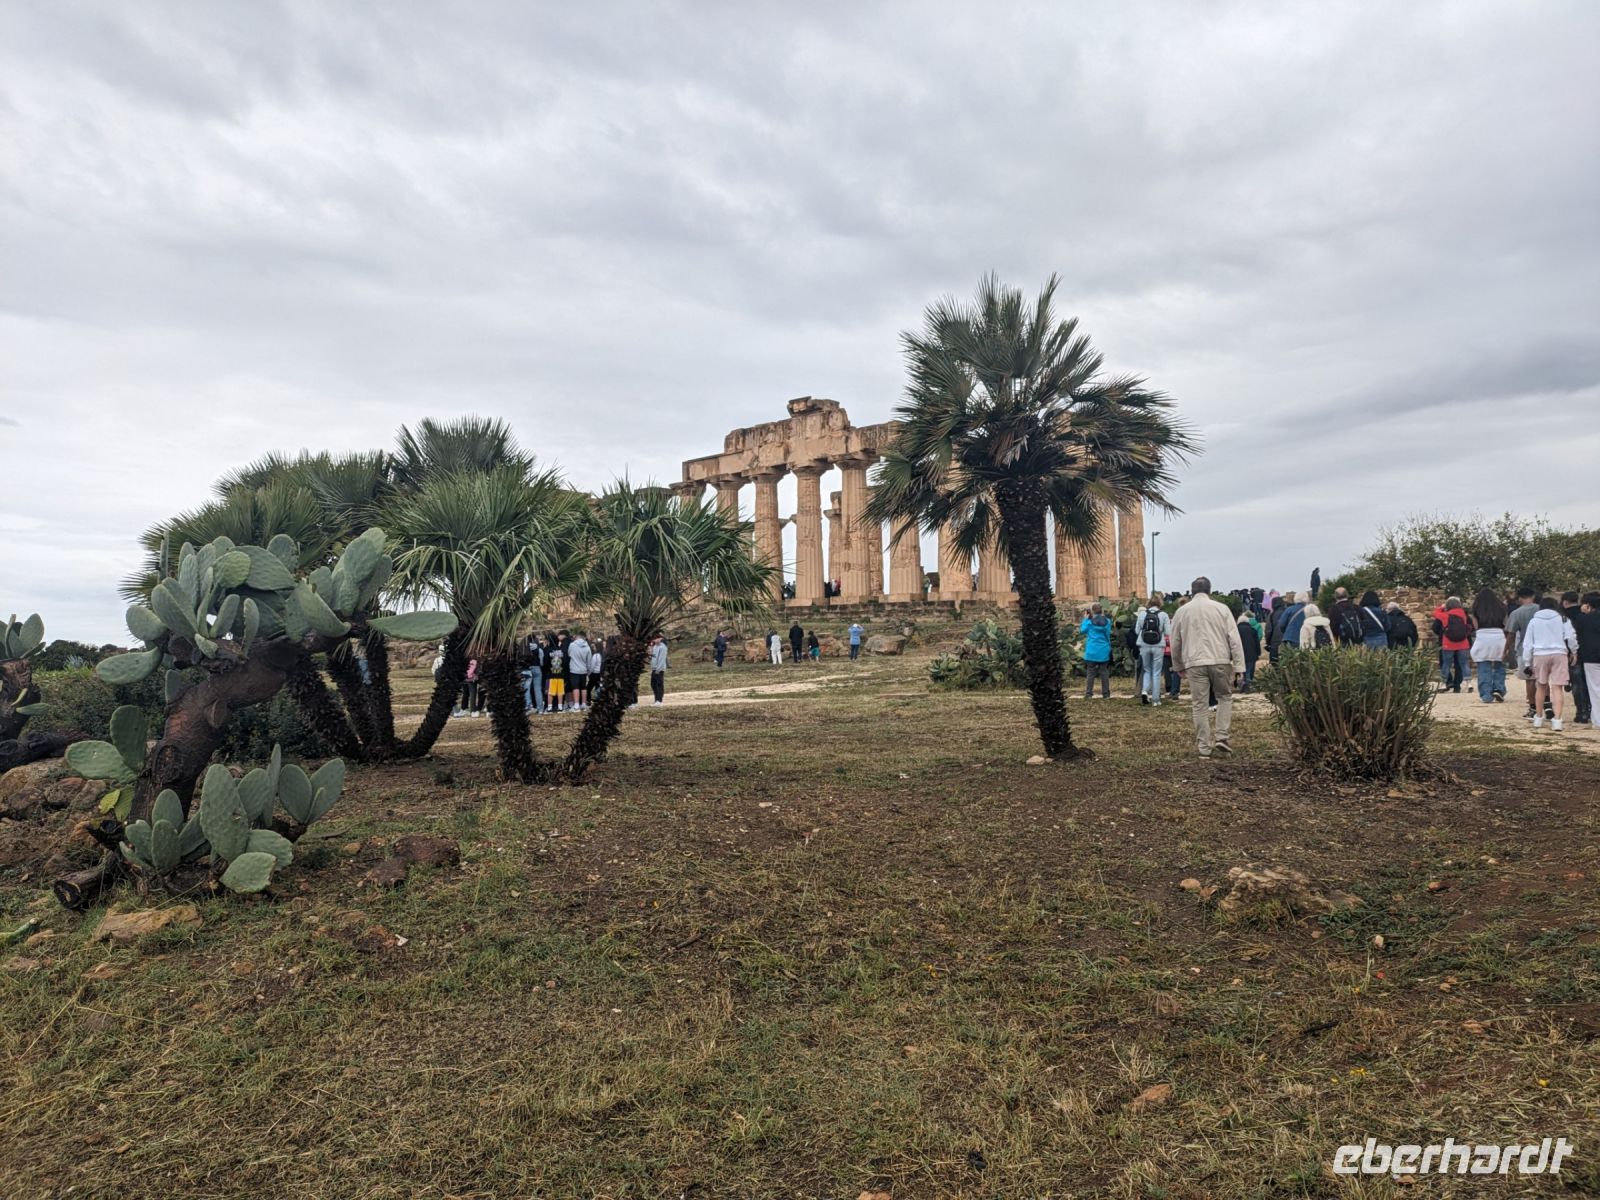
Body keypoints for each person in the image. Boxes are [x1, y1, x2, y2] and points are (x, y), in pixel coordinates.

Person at [1169, 576, 1246, 758]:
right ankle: (1222, 736)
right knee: (1224, 697)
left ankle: (1203, 747)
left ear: (1192, 591)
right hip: (1220, 659)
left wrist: (1178, 665)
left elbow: (1175, 641)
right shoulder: (1222, 609)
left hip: (1194, 662)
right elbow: (1234, 639)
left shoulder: (1182, 612)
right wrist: (1239, 666)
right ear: (1209, 591)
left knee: (1199, 704)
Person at [1519, 596, 1578, 731]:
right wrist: (1574, 652)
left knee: (1541, 686)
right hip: (1559, 654)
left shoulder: (1534, 621)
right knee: (1557, 688)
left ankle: (1538, 718)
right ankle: (1557, 720)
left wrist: (1527, 662)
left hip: (1540, 654)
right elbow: (1571, 637)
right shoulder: (1563, 619)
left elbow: (1527, 644)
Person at [1504, 587, 1541, 718]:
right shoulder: (1541, 609)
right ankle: (1545, 704)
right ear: (1533, 596)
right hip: (1542, 649)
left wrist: (1506, 650)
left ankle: (1533, 707)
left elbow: (1511, 634)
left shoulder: (1516, 613)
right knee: (1542, 679)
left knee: (1529, 679)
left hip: (1525, 649)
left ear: (1520, 598)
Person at [1469, 589, 1508, 704]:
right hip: (1499, 637)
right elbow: (1506, 624)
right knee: (1500, 665)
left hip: (1483, 637)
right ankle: (1499, 689)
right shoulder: (1502, 607)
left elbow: (1475, 626)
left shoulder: (1476, 608)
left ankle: (1486, 694)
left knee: (1483, 666)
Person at [1430, 597, 1473, 693]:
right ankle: (1469, 683)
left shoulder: (1445, 615)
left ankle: (1443, 684)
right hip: (1463, 642)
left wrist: (1441, 607)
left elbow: (1435, 614)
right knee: (1464, 664)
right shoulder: (1463, 615)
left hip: (1448, 643)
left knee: (1446, 664)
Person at [1560, 592, 1590, 726]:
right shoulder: (1584, 613)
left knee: (1577, 684)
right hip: (1587, 651)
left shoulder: (1563, 616)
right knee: (1588, 682)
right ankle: (1590, 709)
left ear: (1564, 601)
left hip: (1570, 653)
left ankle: (1581, 711)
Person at [1134, 596, 1169, 706]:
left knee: (1147, 669)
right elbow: (1168, 632)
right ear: (1160, 603)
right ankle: (1156, 700)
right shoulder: (1163, 615)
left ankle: (1144, 691)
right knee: (1157, 672)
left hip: (1144, 644)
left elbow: (1137, 631)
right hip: (1158, 645)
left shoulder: (1142, 614)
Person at [1573, 592, 1600, 730]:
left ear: (1588, 605)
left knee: (1594, 689)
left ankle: (1597, 720)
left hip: (1590, 657)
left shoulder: (1582, 619)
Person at [1079, 603, 1113, 699]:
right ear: (1101, 611)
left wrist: (1085, 618)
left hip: (1091, 650)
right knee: (1104, 672)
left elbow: (1082, 630)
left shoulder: (1089, 622)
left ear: (1092, 611)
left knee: (1090, 673)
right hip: (1103, 649)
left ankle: (1089, 694)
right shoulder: (1107, 621)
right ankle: (1106, 694)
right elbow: (1108, 634)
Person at [1236, 610, 1261, 691]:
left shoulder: (1236, 630)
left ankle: (1244, 686)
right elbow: (1257, 643)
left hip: (1240, 654)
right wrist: (1258, 652)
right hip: (1252, 654)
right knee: (1249, 671)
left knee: (1243, 670)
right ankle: (1248, 686)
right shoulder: (1253, 630)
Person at [567, 632, 592, 712]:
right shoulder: (587, 647)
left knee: (575, 687)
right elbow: (589, 660)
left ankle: (576, 705)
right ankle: (583, 704)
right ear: (584, 638)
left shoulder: (572, 645)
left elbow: (569, 654)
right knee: (583, 687)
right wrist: (588, 671)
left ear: (577, 637)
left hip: (574, 669)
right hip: (583, 670)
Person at [522, 634, 545, 714]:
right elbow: (542, 661)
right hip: (537, 668)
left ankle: (528, 706)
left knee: (526, 689)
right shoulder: (539, 649)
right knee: (538, 689)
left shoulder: (524, 647)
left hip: (527, 669)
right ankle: (540, 708)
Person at [648, 634, 669, 705]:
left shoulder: (663, 647)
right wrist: (650, 649)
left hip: (659, 669)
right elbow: (651, 657)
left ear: (660, 639)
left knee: (659, 684)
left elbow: (661, 659)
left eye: (656, 639)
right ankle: (656, 699)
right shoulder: (654, 647)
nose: (654, 640)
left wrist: (658, 669)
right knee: (653, 684)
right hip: (654, 668)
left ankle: (659, 700)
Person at [546, 639, 565, 713]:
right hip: (560, 674)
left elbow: (546, 662)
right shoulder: (561, 650)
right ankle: (560, 707)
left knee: (550, 692)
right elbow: (565, 661)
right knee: (560, 691)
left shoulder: (548, 650)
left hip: (551, 674)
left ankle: (549, 707)